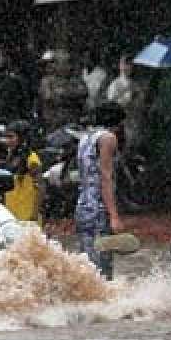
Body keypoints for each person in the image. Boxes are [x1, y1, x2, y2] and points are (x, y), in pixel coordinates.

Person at [74, 102, 125, 279]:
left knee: (86, 261)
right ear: (118, 122)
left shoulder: (84, 138)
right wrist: (114, 215)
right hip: (98, 208)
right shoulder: (108, 138)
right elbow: (106, 177)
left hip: (82, 205)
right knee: (102, 267)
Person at [1, 120, 43, 223]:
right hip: (11, 214)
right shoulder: (10, 157)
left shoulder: (32, 159)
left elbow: (40, 188)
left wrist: (34, 215)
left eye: (11, 137)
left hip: (26, 216)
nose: (7, 141)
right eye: (6, 137)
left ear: (22, 138)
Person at [38, 50, 88, 133]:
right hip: (54, 125)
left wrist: (64, 93)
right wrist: (69, 96)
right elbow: (50, 98)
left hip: (73, 123)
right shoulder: (47, 81)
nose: (68, 66)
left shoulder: (76, 80)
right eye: (64, 63)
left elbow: (83, 93)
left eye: (68, 63)